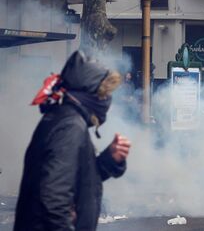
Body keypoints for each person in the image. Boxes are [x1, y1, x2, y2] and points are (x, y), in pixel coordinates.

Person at [14, 51, 131, 231]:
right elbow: (54, 197)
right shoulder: (70, 127)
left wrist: (109, 159)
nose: (106, 100)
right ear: (90, 93)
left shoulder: (61, 118)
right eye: (104, 93)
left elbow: (75, 178)